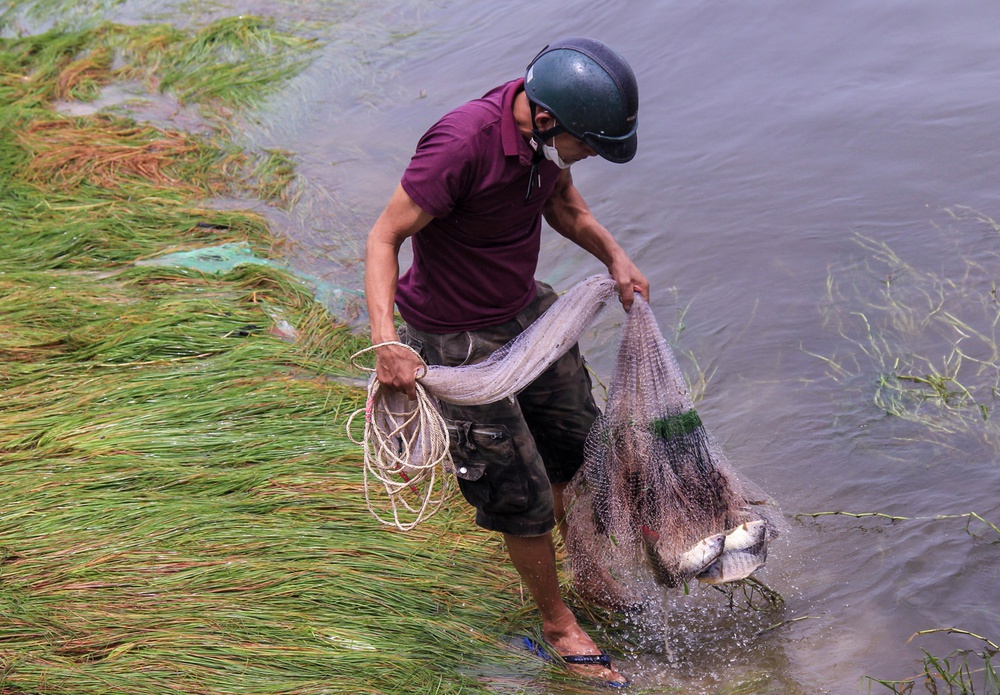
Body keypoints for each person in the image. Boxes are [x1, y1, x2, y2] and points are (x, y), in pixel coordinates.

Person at [363, 37, 649, 686]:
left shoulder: (548, 142)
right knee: (516, 490)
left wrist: (616, 257)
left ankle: (590, 571)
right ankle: (556, 622)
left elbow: (564, 207)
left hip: (528, 312)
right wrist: (388, 341)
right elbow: (384, 236)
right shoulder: (461, 145)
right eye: (591, 144)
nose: (592, 156)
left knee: (579, 447)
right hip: (454, 336)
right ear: (547, 119)